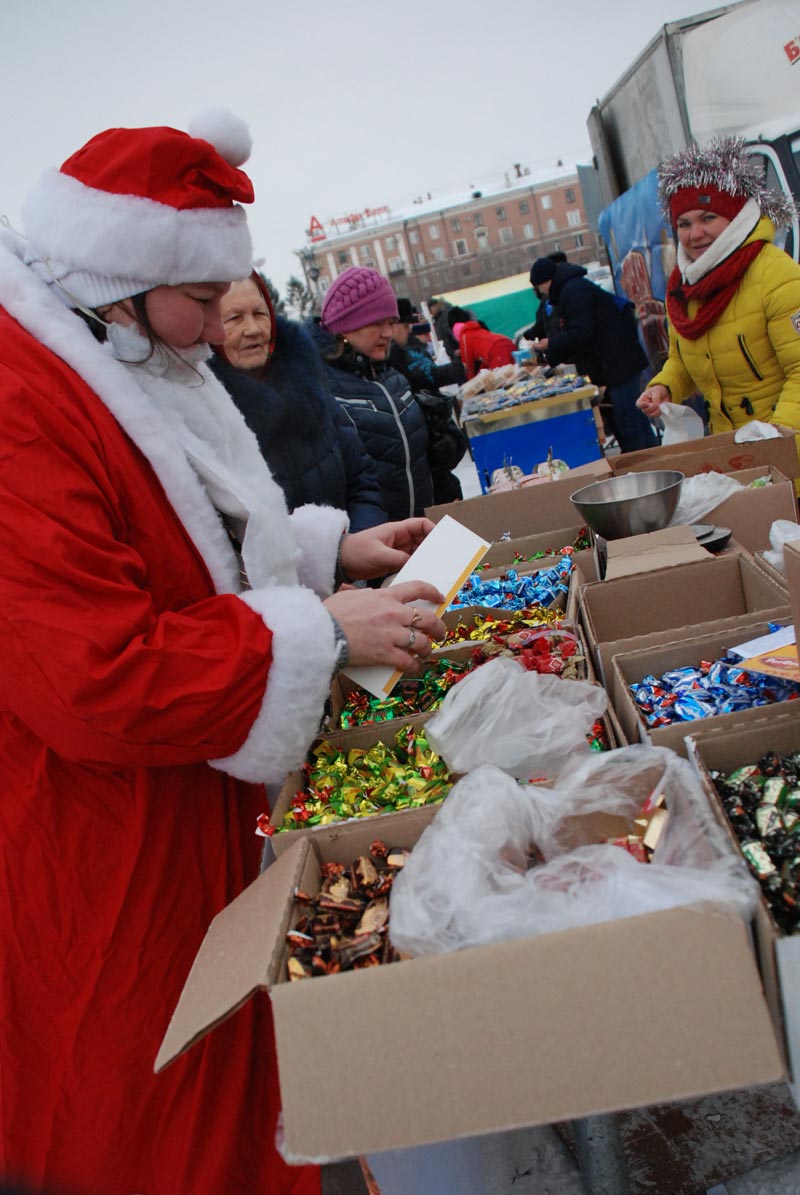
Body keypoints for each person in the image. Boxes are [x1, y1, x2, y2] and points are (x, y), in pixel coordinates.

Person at [0, 115, 446, 1195]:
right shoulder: (21, 402)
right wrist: (316, 628)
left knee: (237, 1084)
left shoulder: (123, 345)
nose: (216, 325)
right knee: (154, 1106)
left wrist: (322, 549)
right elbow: (94, 673)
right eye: (202, 298)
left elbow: (178, 535)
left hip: (186, 802)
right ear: (123, 270)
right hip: (100, 833)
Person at [637, 135, 800, 435]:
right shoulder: (683, 287)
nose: (694, 234)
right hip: (735, 452)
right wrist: (665, 386)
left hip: (787, 446)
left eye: (708, 218)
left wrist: (776, 441)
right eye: (684, 224)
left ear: (735, 218)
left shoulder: (775, 274)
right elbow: (683, 361)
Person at [212, 271, 387, 531]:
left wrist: (352, 551)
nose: (253, 329)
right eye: (235, 318)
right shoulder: (207, 418)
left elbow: (362, 482)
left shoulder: (310, 385)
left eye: (260, 314)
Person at [309, 267, 434, 521]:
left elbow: (415, 464)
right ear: (346, 326)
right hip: (375, 547)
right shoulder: (321, 388)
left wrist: (443, 445)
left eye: (390, 322)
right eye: (377, 323)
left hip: (419, 538)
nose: (388, 333)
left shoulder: (394, 379)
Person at [529, 256, 656, 453]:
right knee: (635, 420)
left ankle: (641, 465)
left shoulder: (573, 291)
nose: (540, 293)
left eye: (538, 287)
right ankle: (653, 457)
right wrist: (553, 355)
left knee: (628, 422)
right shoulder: (571, 289)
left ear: (545, 281)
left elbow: (582, 332)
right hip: (616, 363)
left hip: (617, 364)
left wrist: (551, 345)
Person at [389, 299, 468, 503]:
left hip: (436, 446)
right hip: (425, 455)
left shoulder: (411, 347)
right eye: (404, 325)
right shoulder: (394, 358)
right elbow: (426, 376)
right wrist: (455, 370)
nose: (408, 330)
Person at [449, 309, 516, 379]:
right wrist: (479, 375)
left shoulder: (465, 337)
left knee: (500, 380)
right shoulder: (477, 330)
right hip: (507, 342)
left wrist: (471, 383)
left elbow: (468, 366)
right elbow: (484, 356)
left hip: (498, 350)